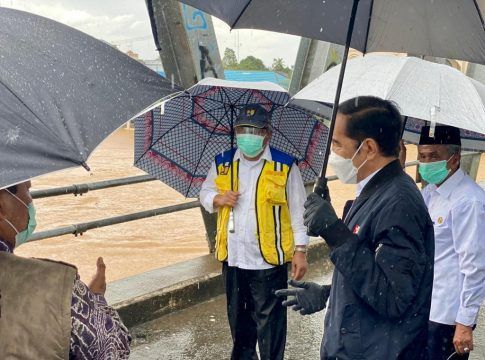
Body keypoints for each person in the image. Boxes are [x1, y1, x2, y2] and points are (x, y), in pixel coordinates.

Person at [276, 96, 435, 359]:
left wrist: (334, 232)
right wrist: (330, 293)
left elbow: (393, 297)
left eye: (338, 144)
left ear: (369, 148)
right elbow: (370, 268)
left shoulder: (399, 204)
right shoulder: (374, 191)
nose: (333, 153)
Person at [199, 104, 309, 360]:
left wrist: (300, 251)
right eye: (242, 129)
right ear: (235, 132)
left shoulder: (285, 166)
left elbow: (298, 212)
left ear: (267, 134)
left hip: (267, 262)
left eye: (255, 130)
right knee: (239, 326)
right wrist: (218, 198)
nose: (248, 135)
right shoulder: (223, 163)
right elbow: (204, 192)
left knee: (270, 328)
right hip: (234, 259)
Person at [0, 181, 131, 359]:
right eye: (27, 190)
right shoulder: (56, 288)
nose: (30, 201)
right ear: (1, 207)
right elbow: (112, 350)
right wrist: (95, 299)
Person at [418, 125, 485, 359]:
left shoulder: (469, 201)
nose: (426, 163)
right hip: (423, 307)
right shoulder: (429, 193)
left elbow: (475, 267)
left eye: (434, 156)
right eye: (422, 156)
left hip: (447, 317)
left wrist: (465, 322)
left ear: (454, 159)